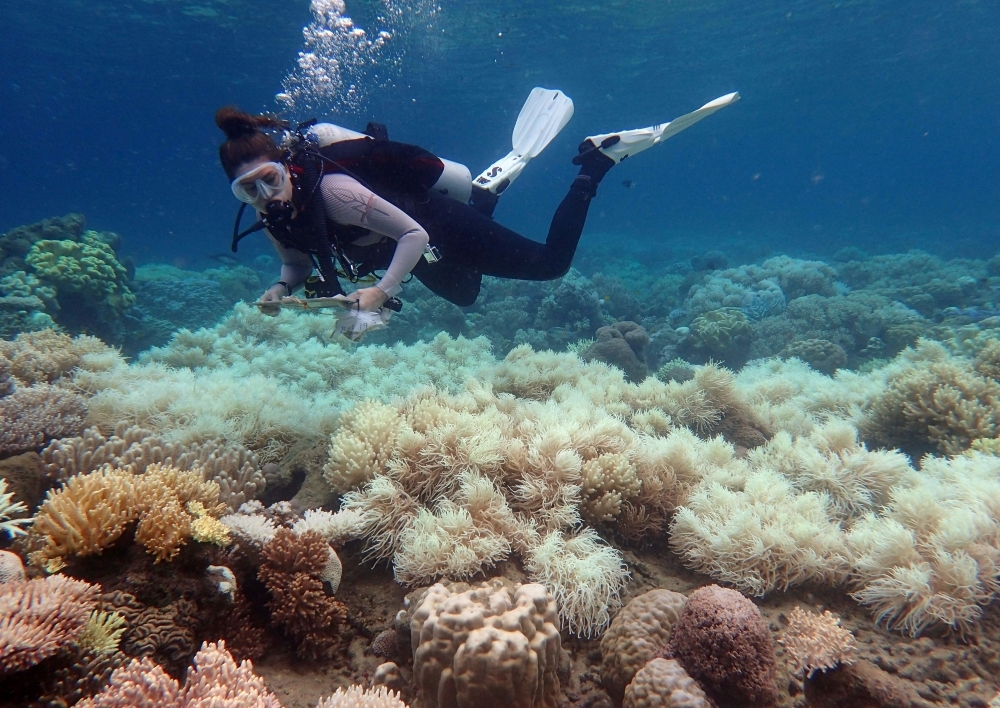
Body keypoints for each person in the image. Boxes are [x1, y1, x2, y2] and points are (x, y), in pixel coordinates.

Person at [215, 91, 739, 321]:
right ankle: (484, 195)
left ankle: (596, 163)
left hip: (428, 226)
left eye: (268, 179)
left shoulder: (335, 193)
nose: (265, 196)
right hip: (402, 247)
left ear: (286, 165)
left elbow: (414, 237)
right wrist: (280, 287)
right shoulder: (270, 214)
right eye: (248, 191)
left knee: (550, 266)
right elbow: (295, 261)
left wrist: (379, 291)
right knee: (465, 295)